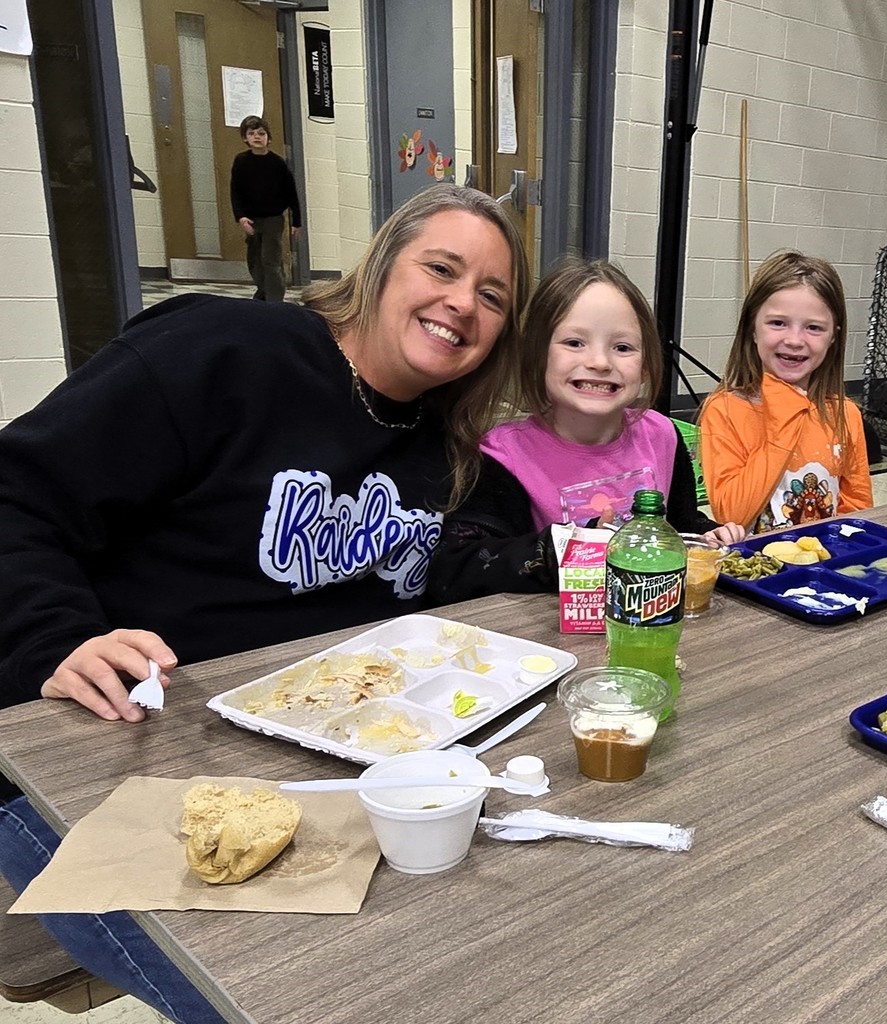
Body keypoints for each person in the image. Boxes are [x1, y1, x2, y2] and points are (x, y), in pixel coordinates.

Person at [0, 184, 529, 1023]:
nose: (462, 303)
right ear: (385, 262)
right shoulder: (224, 351)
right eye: (443, 268)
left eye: (493, 297)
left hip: (324, 781)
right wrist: (53, 637)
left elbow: (449, 580)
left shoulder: (445, 451)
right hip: (109, 760)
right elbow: (14, 493)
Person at [428, 257, 744, 604]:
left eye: (622, 348)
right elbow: (458, 569)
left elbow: (681, 527)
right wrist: (568, 546)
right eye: (574, 343)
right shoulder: (502, 457)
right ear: (538, 354)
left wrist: (708, 536)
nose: (600, 362)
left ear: (645, 364)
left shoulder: (662, 435)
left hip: (650, 625)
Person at [699, 249, 873, 533]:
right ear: (752, 330)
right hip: (757, 569)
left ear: (832, 338)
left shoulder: (845, 414)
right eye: (778, 323)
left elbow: (858, 512)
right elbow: (733, 515)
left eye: (814, 328)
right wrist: (783, 420)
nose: (794, 340)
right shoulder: (724, 410)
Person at [229, 114, 302, 302]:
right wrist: (241, 217)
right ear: (245, 138)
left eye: (261, 133)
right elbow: (235, 191)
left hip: (273, 219)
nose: (257, 137)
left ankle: (274, 300)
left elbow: (291, 193)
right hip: (252, 218)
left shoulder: (277, 164)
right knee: (255, 261)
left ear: (268, 137)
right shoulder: (241, 161)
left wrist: (296, 222)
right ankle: (263, 293)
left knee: (271, 259)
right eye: (252, 133)